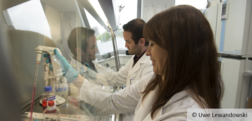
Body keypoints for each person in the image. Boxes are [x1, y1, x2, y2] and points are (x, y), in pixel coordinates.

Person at [52, 5, 223, 120]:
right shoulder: (156, 80)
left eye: (153, 44)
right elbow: (114, 100)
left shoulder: (186, 113)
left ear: (176, 50)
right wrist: (75, 77)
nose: (148, 52)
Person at [63, 19, 154, 120]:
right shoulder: (136, 58)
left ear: (141, 41)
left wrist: (85, 78)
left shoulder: (150, 68)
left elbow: (115, 101)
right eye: (93, 46)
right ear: (79, 51)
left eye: (128, 41)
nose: (125, 45)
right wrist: (92, 75)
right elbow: (118, 78)